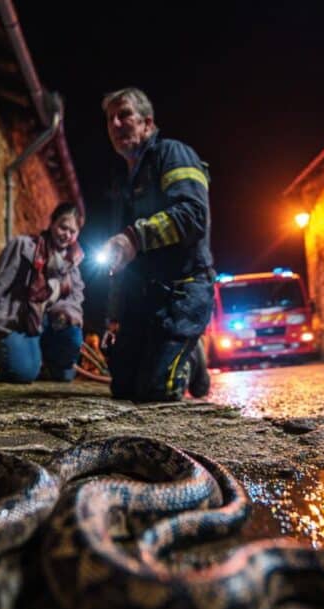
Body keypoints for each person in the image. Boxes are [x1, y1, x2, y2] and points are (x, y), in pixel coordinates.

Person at [100, 87, 214, 401]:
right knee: (122, 388)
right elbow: (120, 260)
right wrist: (113, 317)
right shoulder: (125, 184)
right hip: (147, 296)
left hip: (184, 289)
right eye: (110, 119)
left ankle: (189, 351)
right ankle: (179, 345)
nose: (116, 124)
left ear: (148, 124)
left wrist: (135, 237)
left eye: (124, 115)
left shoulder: (172, 154)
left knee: (157, 391)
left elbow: (193, 215)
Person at [0, 203, 85, 383]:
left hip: (47, 323)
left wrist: (66, 313)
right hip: (18, 320)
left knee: (66, 373)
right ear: (52, 223)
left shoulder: (72, 264)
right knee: (22, 373)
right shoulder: (24, 246)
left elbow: (75, 298)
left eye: (73, 231)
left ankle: (47, 361)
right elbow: (1, 281)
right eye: (63, 227)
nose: (67, 235)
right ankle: (11, 355)